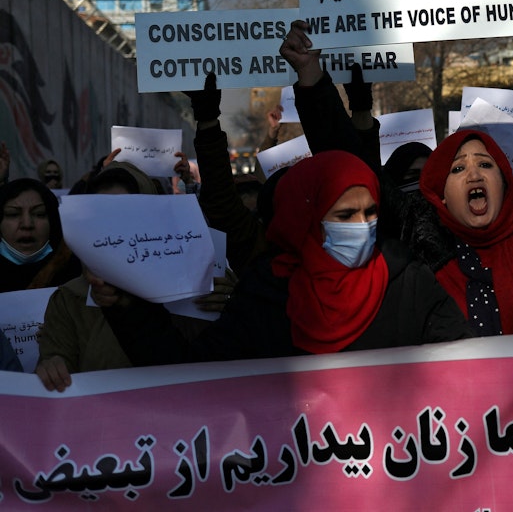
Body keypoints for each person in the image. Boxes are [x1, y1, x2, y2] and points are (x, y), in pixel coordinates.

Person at [282, 6, 513, 336]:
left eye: (485, 164)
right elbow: (351, 169)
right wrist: (311, 77)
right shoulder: (422, 231)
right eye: (458, 168)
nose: (474, 174)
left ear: (504, 182)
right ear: (439, 194)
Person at [95, 151, 473, 365]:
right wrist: (127, 309)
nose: (363, 226)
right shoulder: (265, 294)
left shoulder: (410, 283)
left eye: (371, 212)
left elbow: (464, 370)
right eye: (344, 216)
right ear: (302, 220)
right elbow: (194, 377)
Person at [34, 161, 230, 392]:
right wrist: (52, 368)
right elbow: (59, 379)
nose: (116, 225)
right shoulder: (70, 300)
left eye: (127, 212)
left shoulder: (204, 282)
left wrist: (233, 306)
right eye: (104, 214)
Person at [0, 178, 79, 292]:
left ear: (53, 222)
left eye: (39, 214)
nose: (27, 224)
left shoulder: (80, 273)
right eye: (13, 214)